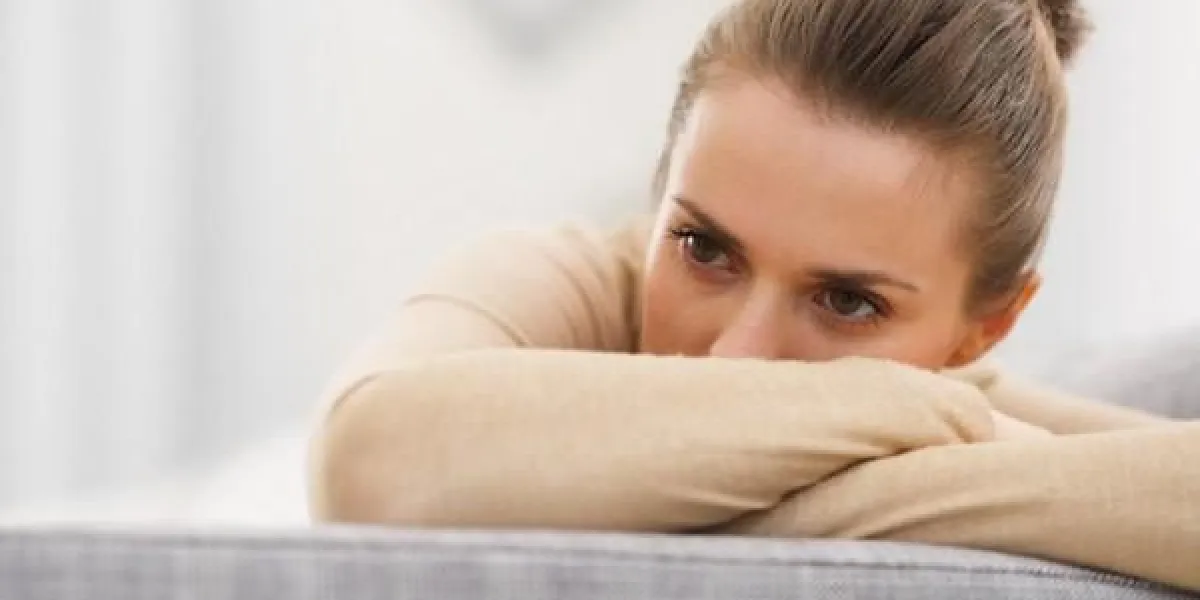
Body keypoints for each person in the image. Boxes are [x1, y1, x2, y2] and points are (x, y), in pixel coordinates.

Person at [309, 0, 1200, 591]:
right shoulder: (566, 280)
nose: (737, 357)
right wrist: (901, 413)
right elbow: (369, 465)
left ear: (984, 332)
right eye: (703, 249)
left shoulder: (963, 404)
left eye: (848, 303)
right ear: (659, 191)